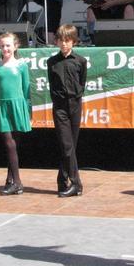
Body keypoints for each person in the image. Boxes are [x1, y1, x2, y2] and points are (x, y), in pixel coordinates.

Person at [0, 32, 32, 196]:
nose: (5, 48)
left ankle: (10, 180)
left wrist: (28, 111)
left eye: (8, 45)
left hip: (18, 106)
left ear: (15, 46)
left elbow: (27, 90)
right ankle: (18, 183)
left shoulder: (21, 66)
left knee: (14, 145)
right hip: (2, 107)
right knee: (9, 143)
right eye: (2, 46)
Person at [47, 24, 87, 197]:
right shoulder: (52, 62)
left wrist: (76, 96)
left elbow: (82, 81)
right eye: (61, 41)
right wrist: (57, 101)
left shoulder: (80, 61)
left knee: (70, 146)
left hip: (75, 104)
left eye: (67, 41)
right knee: (66, 144)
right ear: (56, 42)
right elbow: (52, 84)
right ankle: (76, 183)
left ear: (73, 42)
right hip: (60, 107)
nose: (64, 44)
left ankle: (62, 180)